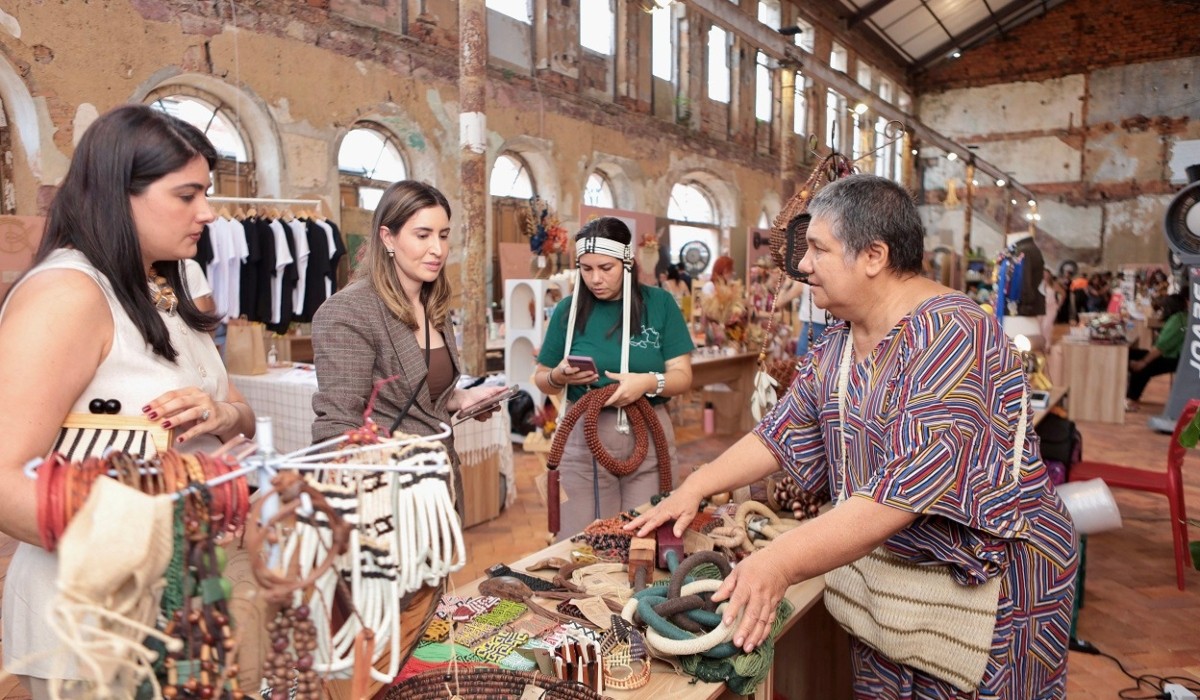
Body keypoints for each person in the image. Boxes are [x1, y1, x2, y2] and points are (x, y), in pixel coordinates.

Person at [629, 174, 1078, 698]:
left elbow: (900, 496)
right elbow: (779, 433)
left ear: (873, 256)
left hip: (988, 598)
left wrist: (779, 561)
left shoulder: (953, 337)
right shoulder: (842, 338)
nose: (803, 265)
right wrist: (697, 484)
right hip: (891, 590)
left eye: (819, 248)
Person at [0, 104, 258, 697]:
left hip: (184, 596)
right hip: (99, 616)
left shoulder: (164, 284)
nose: (209, 213)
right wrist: (152, 537)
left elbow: (238, 408)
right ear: (121, 194)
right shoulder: (67, 295)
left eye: (207, 194)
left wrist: (220, 416)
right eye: (187, 195)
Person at [311, 180, 506, 507]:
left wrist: (459, 398)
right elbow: (338, 427)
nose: (438, 249)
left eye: (443, 236)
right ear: (388, 237)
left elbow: (414, 396)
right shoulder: (349, 311)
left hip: (441, 487)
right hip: (387, 499)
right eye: (423, 235)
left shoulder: (434, 303)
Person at [533, 217, 694, 540]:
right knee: (581, 540)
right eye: (586, 268)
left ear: (627, 261)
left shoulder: (659, 304)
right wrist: (558, 375)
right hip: (583, 437)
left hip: (649, 434)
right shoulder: (568, 310)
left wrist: (647, 383)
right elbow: (541, 378)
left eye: (606, 268)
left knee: (644, 538)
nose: (595, 279)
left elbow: (682, 376)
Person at [1126, 291, 1187, 411]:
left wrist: (1143, 362)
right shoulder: (1183, 317)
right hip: (1177, 356)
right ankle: (1130, 395)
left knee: (1143, 368)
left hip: (1173, 359)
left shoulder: (1176, 320)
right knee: (1132, 354)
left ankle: (1131, 399)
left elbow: (1160, 348)